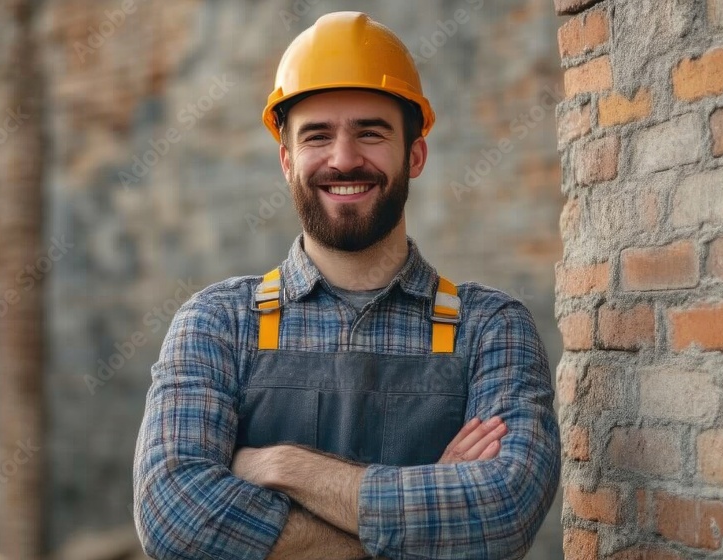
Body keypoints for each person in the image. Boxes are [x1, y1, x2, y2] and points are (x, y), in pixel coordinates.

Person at [133, 11, 560, 560]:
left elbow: (503, 513)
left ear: (415, 155)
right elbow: (175, 519)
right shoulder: (217, 323)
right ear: (287, 161)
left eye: (370, 132)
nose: (343, 158)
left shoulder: (490, 328)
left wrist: (280, 466)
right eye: (317, 136)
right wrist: (425, 518)